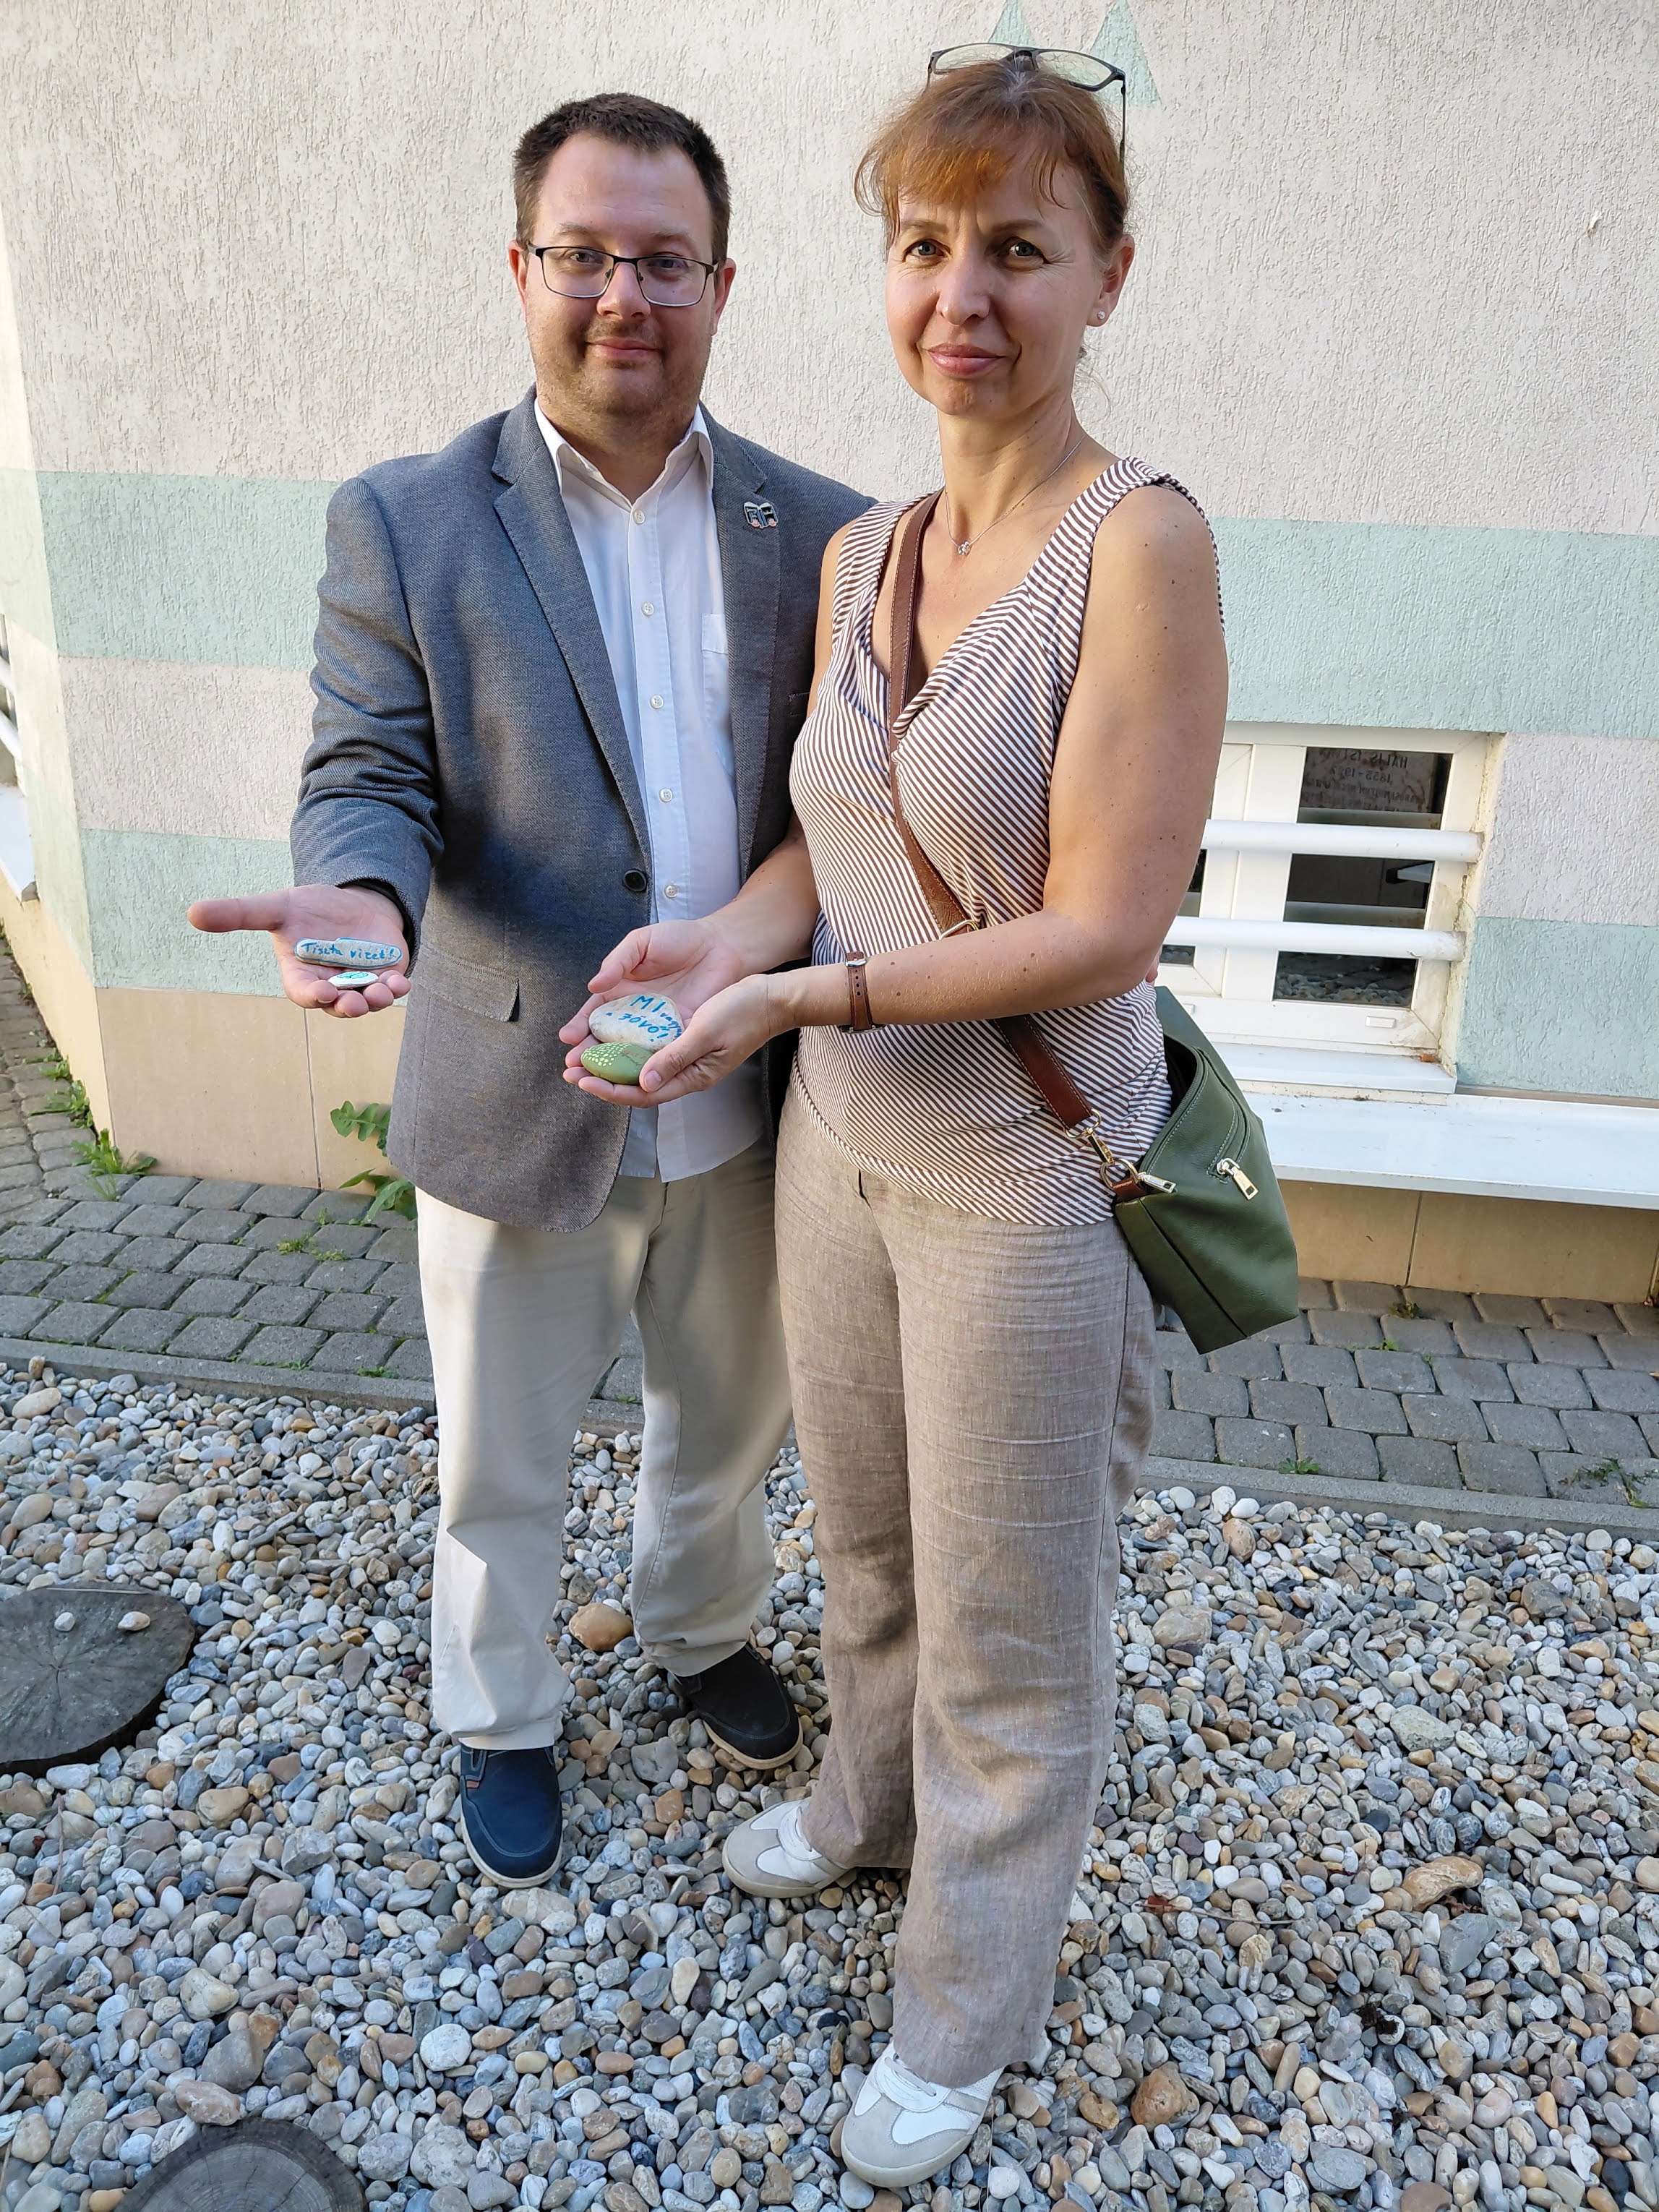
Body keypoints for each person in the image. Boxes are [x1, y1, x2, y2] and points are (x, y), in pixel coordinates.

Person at [563, 48, 1227, 2185]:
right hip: (839, 1150)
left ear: (1107, 274)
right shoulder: (869, 551)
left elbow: (1103, 924)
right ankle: (862, 1806)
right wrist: (717, 946)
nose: (963, 294)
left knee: (1011, 1628)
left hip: (1024, 1179)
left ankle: (964, 2002)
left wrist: (812, 993)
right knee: (859, 1543)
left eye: (1017, 247)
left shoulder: (1139, 548)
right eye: (924, 244)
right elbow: (829, 842)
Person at [189, 93, 868, 1890]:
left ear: (722, 284)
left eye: (664, 260)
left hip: (751, 1093)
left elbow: (843, 801)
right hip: (515, 1088)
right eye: (583, 254)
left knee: (726, 1426)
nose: (622, 293)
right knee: (499, 1459)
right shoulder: (408, 521)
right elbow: (368, 772)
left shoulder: (828, 532)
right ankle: (497, 1708)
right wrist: (357, 896)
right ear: (519, 270)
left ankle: (697, 1630)